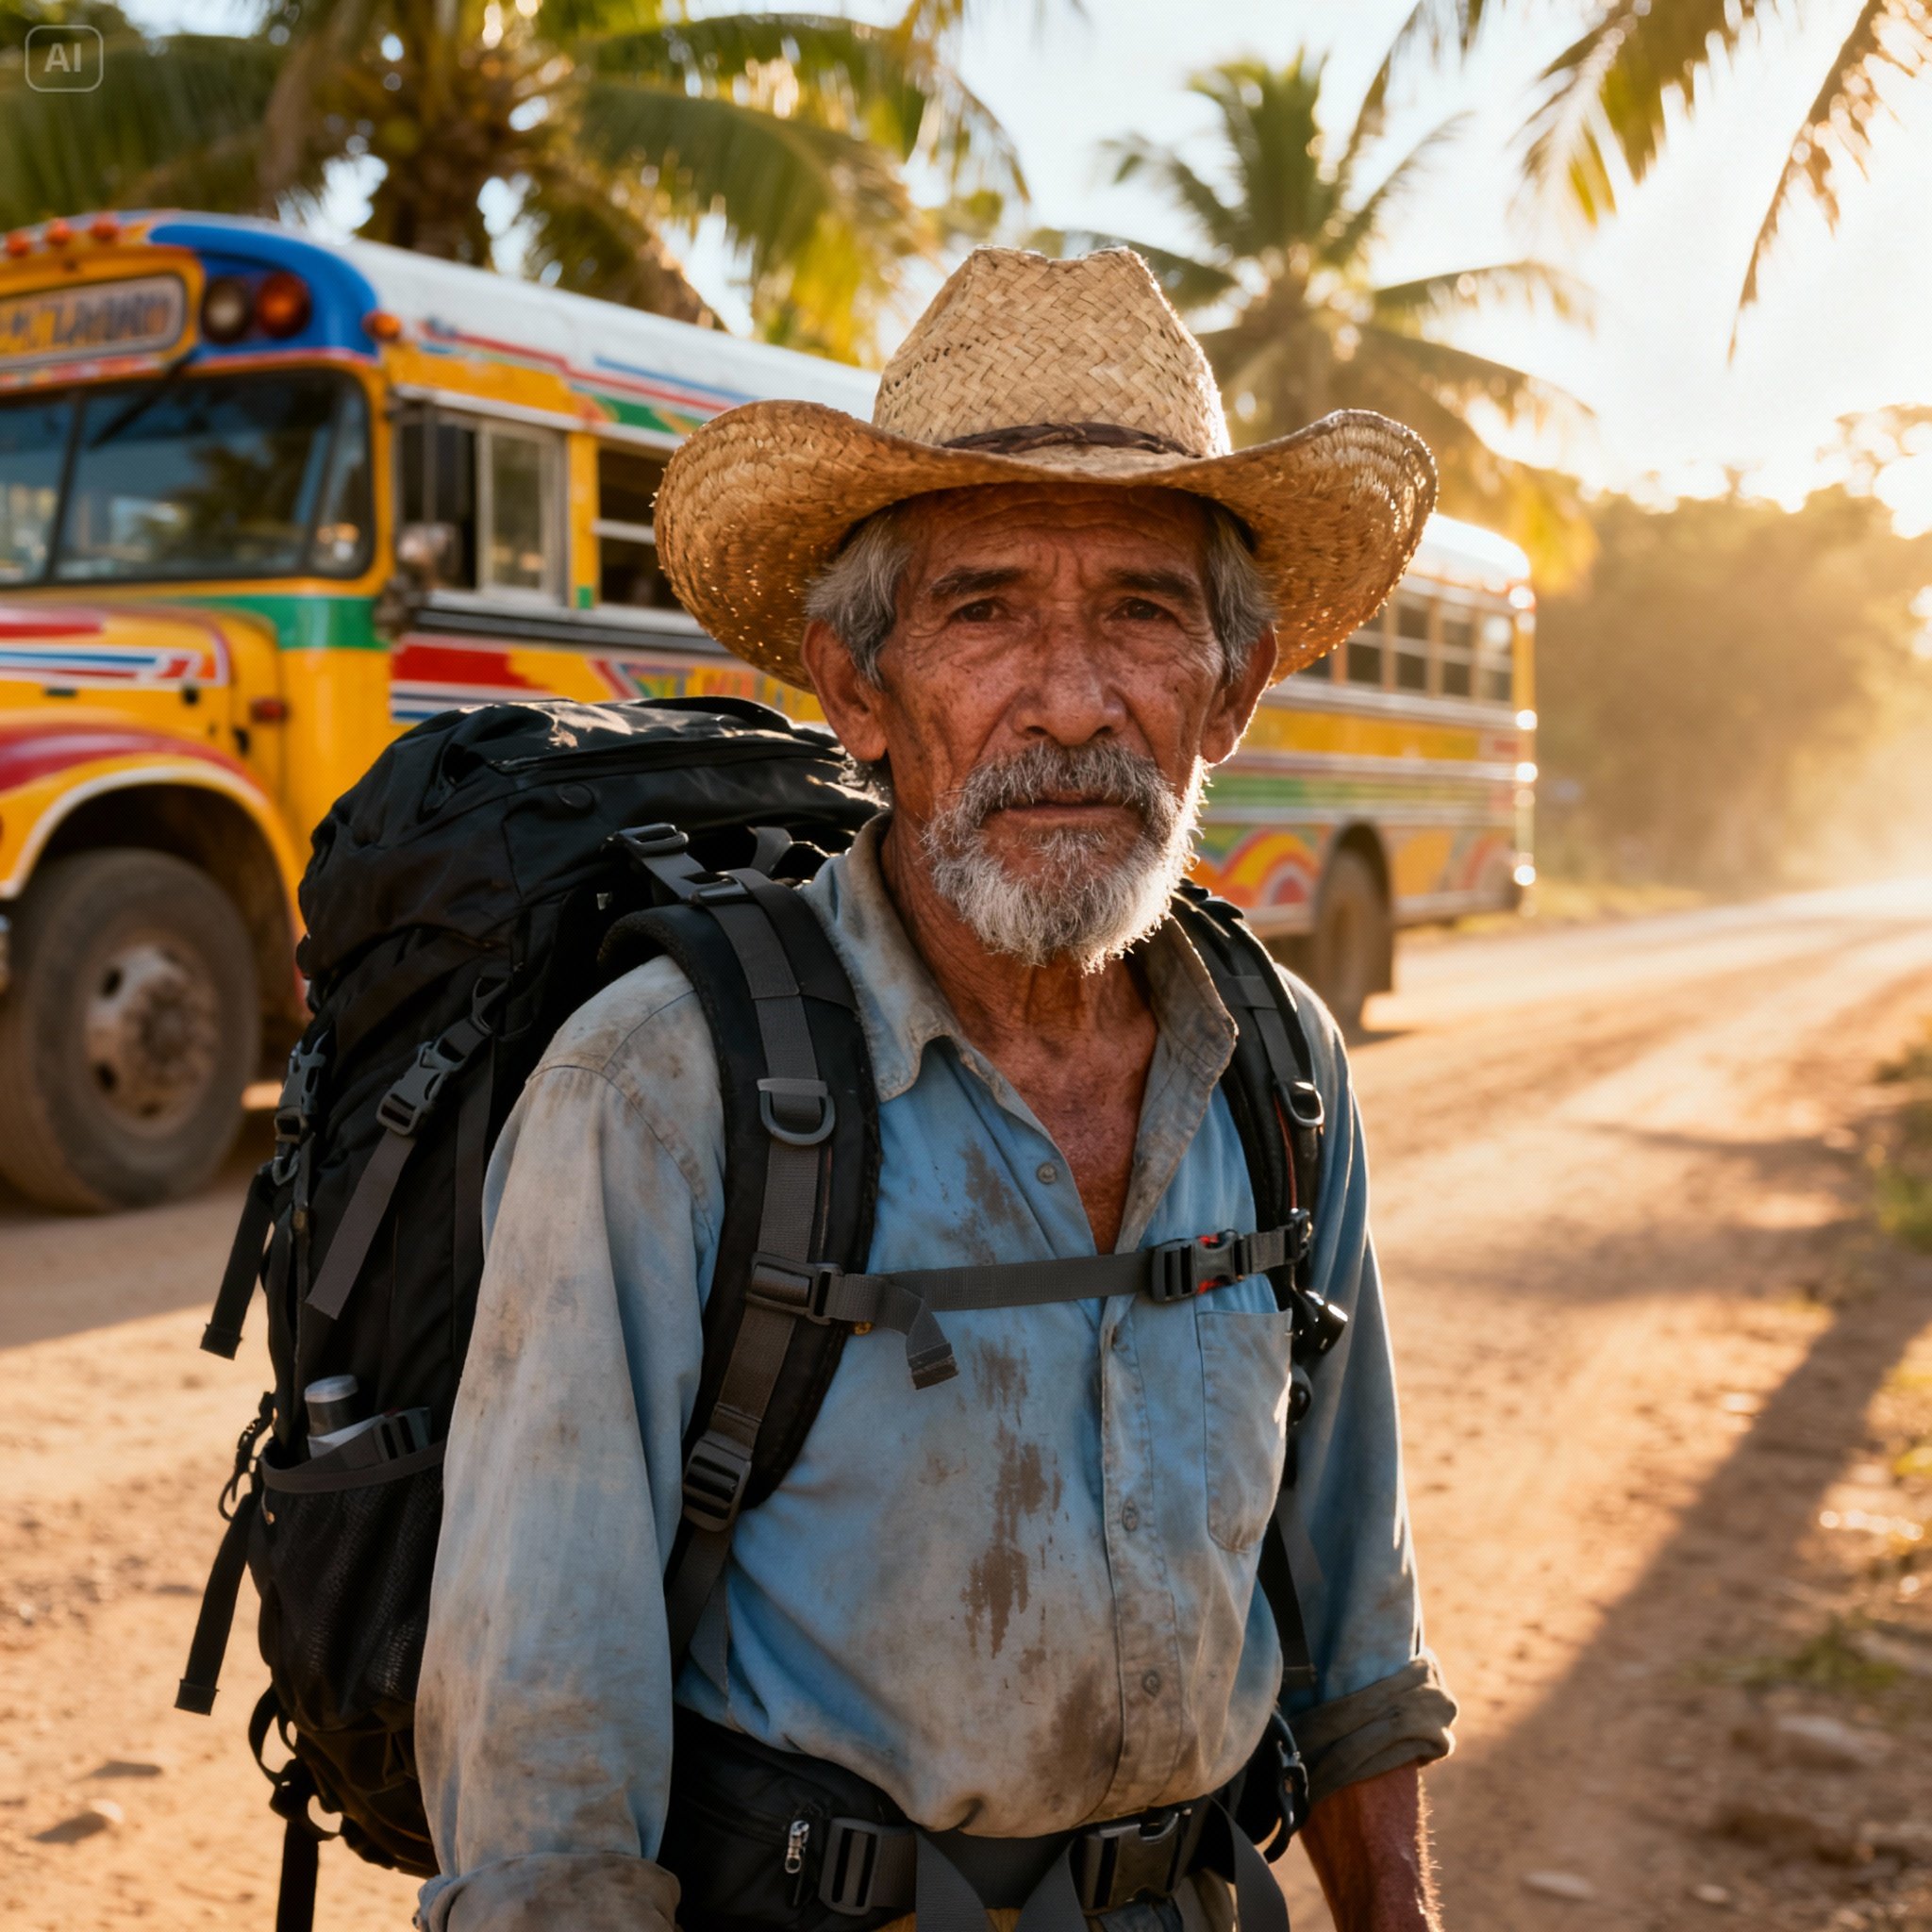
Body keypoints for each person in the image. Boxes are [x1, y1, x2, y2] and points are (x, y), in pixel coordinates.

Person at [414, 246, 1455, 1932]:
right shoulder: (661, 1088)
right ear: (856, 690)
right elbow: (542, 1735)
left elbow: (1356, 1623)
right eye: (983, 611)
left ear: (1231, 693)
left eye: (1143, 611)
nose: (1070, 698)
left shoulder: (1282, 1075)